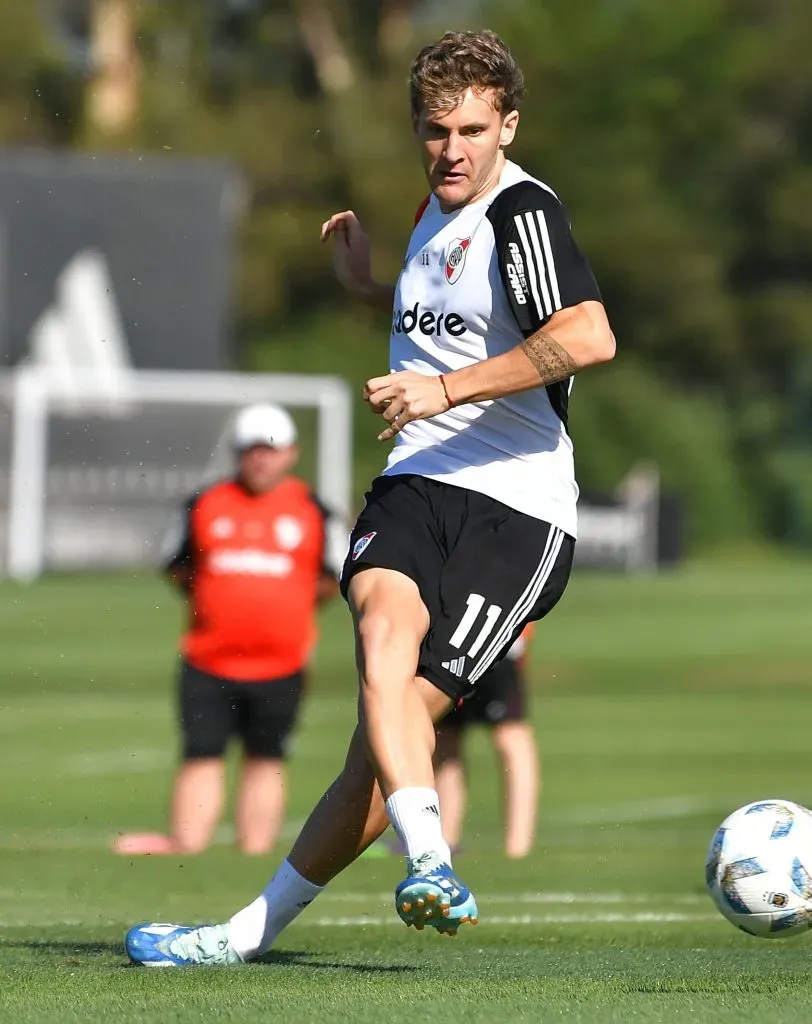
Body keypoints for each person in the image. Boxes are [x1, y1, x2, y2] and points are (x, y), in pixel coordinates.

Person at [124, 28, 614, 966]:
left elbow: (587, 336)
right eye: (436, 130)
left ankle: (248, 933)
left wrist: (445, 390)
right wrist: (368, 286)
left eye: (473, 130)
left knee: (380, 751)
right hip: (415, 481)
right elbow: (451, 320)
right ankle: (428, 862)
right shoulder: (434, 211)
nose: (453, 150)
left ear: (509, 127)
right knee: (380, 639)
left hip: (516, 511)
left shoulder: (523, 212)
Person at [113, 402, 342, 858]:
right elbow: (177, 567)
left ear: (291, 453)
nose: (260, 459)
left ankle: (255, 852)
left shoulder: (315, 510)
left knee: (267, 758)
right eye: (251, 449)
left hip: (282, 663)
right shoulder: (204, 503)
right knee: (201, 753)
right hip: (207, 660)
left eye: (270, 449)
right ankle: (187, 844)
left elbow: (333, 577)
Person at [434, 625, 539, 859]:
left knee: (510, 736)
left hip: (483, 640)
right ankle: (444, 841)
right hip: (454, 643)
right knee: (446, 737)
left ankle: (517, 846)